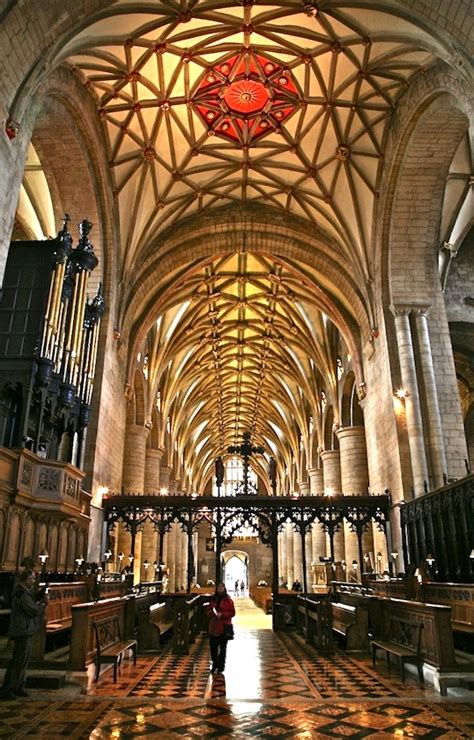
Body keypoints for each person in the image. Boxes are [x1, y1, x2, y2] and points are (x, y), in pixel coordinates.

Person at [1, 570, 48, 699]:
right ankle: (8, 689)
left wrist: (40, 595)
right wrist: (44, 604)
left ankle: (18, 686)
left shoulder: (25, 592)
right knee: (18, 661)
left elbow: (32, 599)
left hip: (25, 629)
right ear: (26, 579)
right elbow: (32, 610)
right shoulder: (21, 593)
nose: (33, 582)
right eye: (32, 579)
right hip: (22, 630)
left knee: (23, 661)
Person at [207, 582, 235, 674]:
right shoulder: (213, 599)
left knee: (223, 648)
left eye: (221, 588)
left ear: (224, 588)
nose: (219, 589)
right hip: (214, 626)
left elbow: (232, 613)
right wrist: (212, 613)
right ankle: (215, 663)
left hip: (224, 626)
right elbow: (208, 610)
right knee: (213, 647)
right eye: (218, 588)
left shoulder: (228, 600)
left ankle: (221, 666)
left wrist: (222, 614)